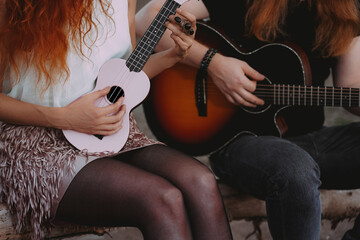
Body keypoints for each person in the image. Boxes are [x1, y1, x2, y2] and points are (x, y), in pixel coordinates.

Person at [0, 0, 234, 240]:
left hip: (112, 130)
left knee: (200, 181)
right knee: (162, 198)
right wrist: (66, 118)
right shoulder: (19, 5)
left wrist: (174, 55)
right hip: (36, 143)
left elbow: (124, 76)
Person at [136, 0, 360, 239]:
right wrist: (213, 62)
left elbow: (350, 90)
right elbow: (147, 19)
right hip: (242, 141)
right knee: (295, 169)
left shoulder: (347, 10)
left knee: (298, 164)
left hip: (311, 140)